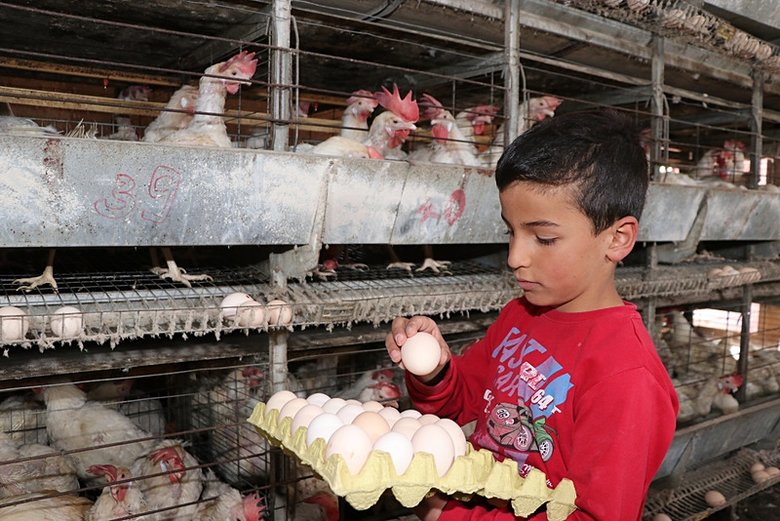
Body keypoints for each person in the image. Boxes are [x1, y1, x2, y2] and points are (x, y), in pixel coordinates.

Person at [384, 109, 679, 521]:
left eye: (544, 238)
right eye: (511, 231)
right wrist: (434, 369)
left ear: (617, 238)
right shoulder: (520, 316)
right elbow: (461, 404)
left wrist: (448, 516)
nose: (514, 257)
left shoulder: (625, 377)